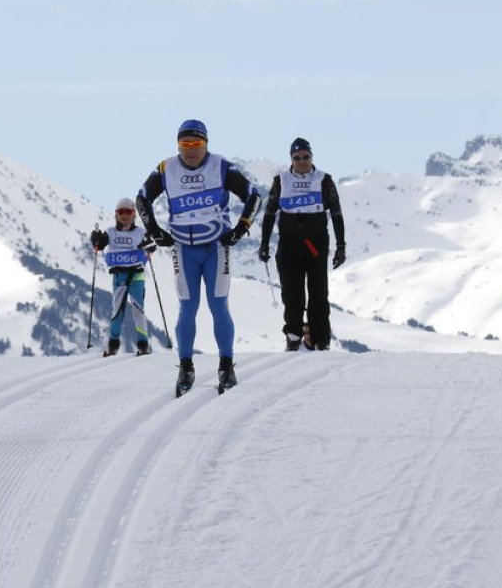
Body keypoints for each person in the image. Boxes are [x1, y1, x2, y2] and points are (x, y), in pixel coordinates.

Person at [136, 119, 260, 396]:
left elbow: (253, 196)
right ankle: (185, 366)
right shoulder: (166, 168)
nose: (191, 151)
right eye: (185, 145)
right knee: (187, 308)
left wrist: (241, 228)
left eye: (197, 144)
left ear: (206, 144)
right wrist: (155, 231)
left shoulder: (221, 166)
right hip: (183, 249)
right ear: (177, 145)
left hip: (217, 247)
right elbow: (142, 199)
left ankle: (226, 366)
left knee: (218, 306)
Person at [258, 137, 347, 351]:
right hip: (289, 246)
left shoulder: (324, 180)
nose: (302, 161)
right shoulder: (281, 181)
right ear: (291, 159)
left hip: (316, 246)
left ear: (312, 157)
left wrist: (341, 246)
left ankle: (321, 339)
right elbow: (270, 213)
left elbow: (336, 213)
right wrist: (264, 244)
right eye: (297, 158)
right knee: (292, 295)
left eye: (306, 157)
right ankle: (294, 336)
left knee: (318, 295)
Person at [89, 198, 156, 357]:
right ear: (116, 215)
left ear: (134, 215)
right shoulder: (111, 232)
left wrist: (148, 245)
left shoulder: (140, 232)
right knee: (117, 311)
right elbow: (100, 244)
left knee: (138, 311)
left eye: (128, 212)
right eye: (121, 212)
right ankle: (113, 345)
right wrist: (96, 240)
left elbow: (152, 246)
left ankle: (143, 344)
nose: (124, 215)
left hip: (137, 276)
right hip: (119, 276)